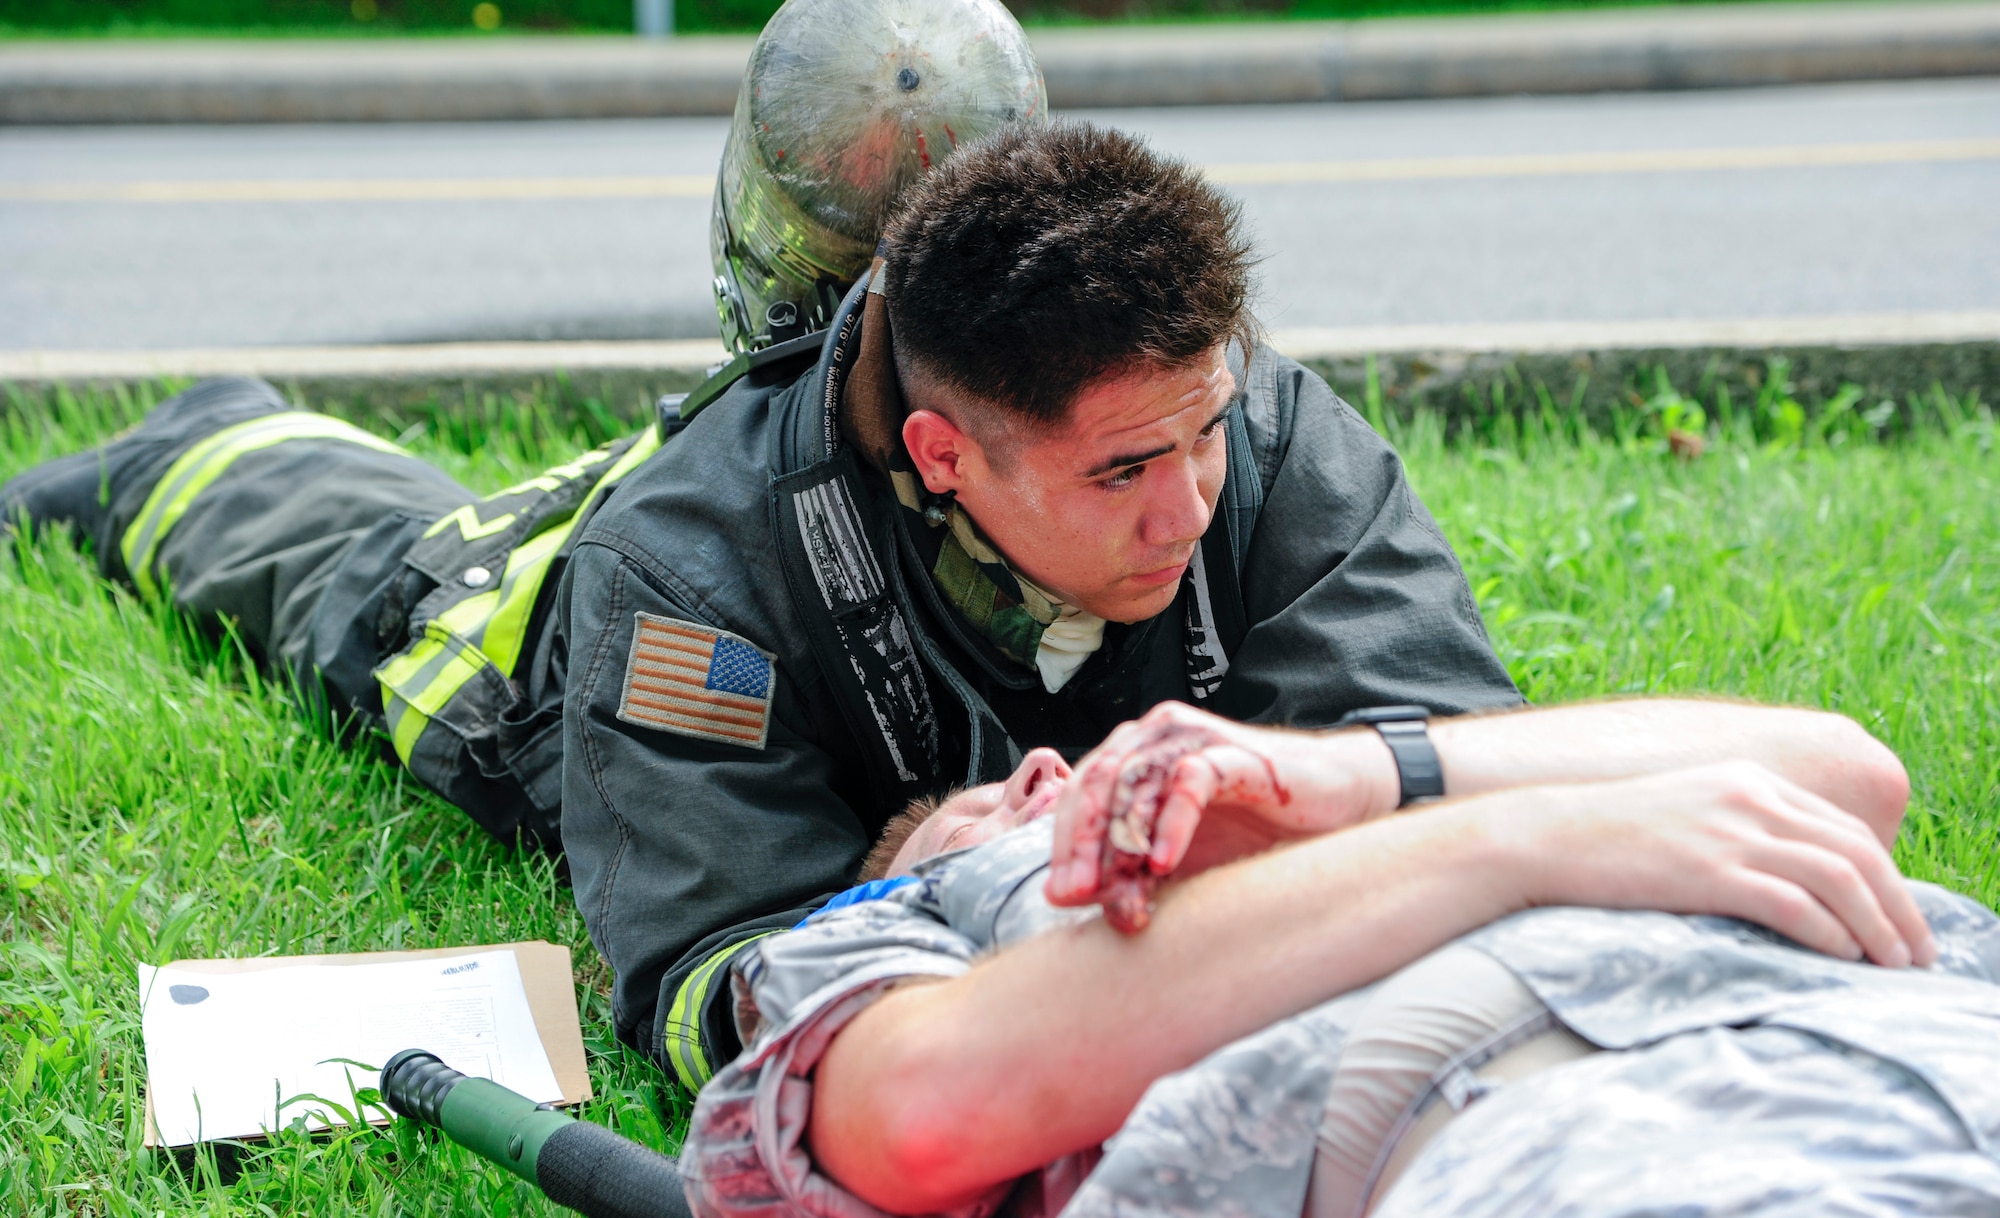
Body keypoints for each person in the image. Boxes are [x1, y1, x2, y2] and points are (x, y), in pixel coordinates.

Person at [0, 117, 1520, 1091]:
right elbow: (702, 979)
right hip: (532, 623)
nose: (1192, 505)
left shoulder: (1257, 428)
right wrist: (904, 879)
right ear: (946, 451)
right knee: (370, 569)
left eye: (1206, 433)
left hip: (819, 457)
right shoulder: (684, 591)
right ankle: (184, 440)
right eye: (1124, 468)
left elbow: (1452, 757)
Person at [678, 699, 2000, 1218]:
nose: (1042, 769)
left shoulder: (1356, 806)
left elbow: (1853, 781)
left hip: (1918, 1026)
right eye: (979, 808)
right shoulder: (896, 935)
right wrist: (1514, 843)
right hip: (1574, 1138)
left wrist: (1366, 774)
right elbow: (924, 1111)